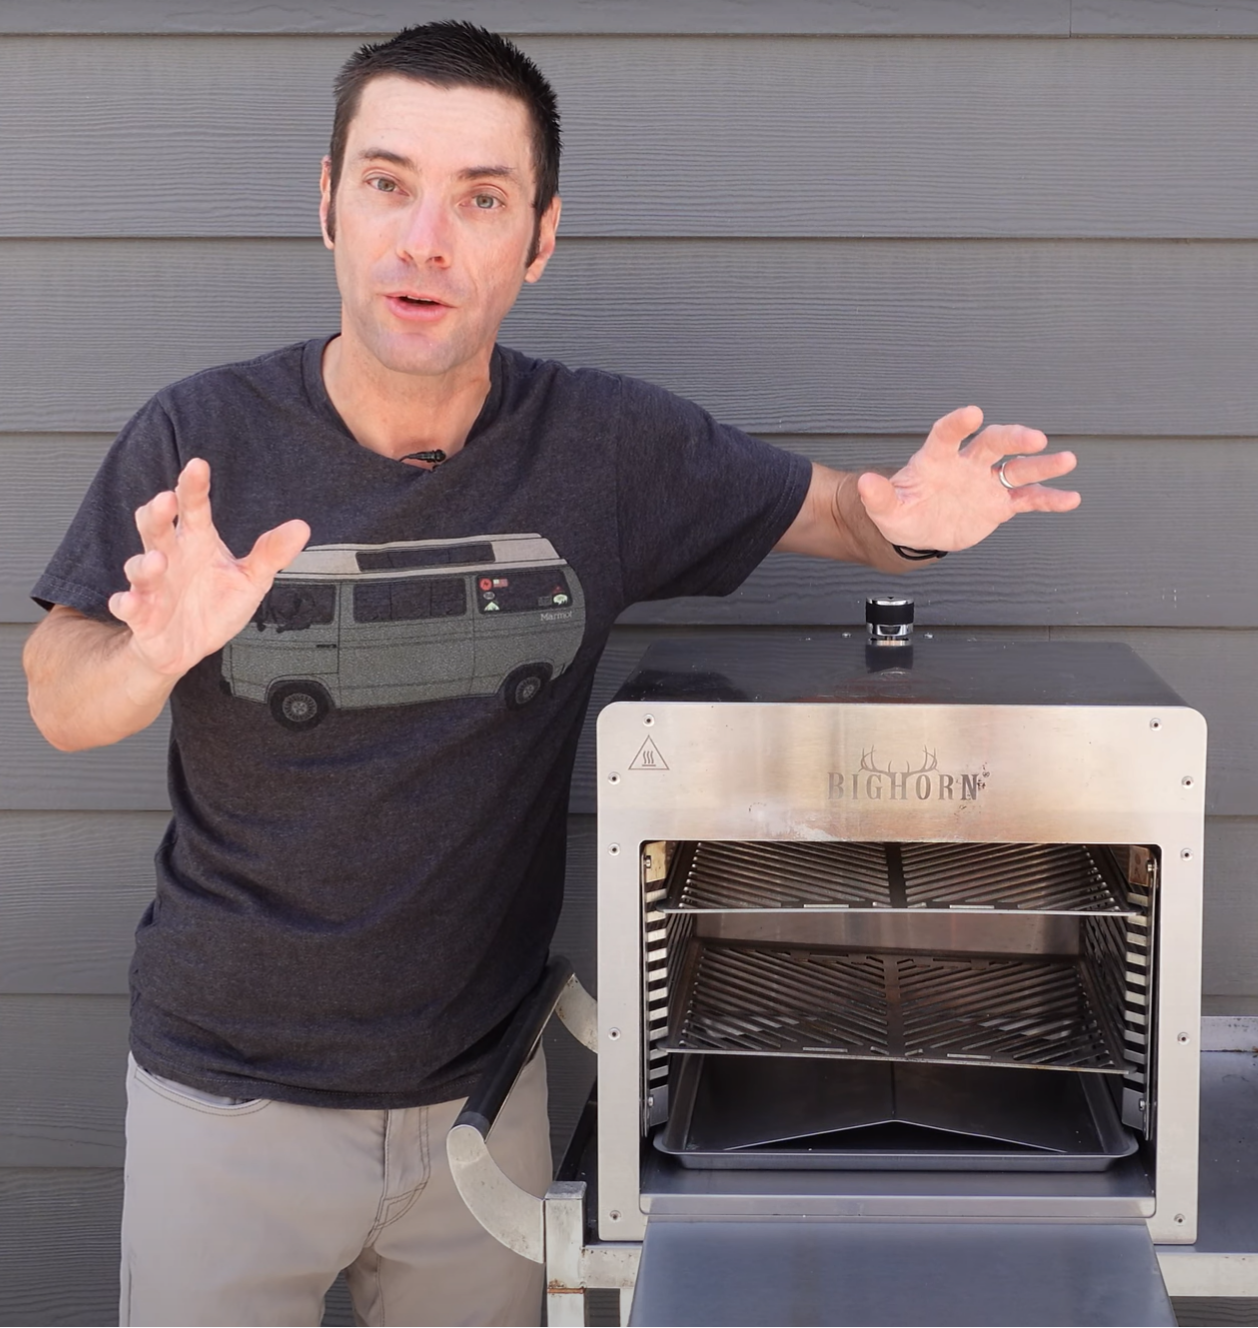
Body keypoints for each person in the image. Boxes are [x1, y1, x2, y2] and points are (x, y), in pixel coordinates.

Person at [23, 21, 1079, 1328]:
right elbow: (62, 699)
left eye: (481, 200)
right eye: (388, 183)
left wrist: (916, 515)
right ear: (328, 204)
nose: (426, 239)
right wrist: (155, 650)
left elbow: (846, 516)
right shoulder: (200, 438)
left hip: (483, 1104)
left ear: (539, 237)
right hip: (228, 1109)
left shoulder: (607, 451)